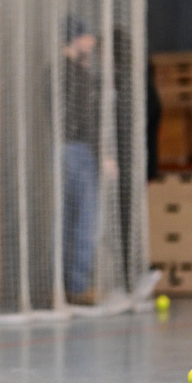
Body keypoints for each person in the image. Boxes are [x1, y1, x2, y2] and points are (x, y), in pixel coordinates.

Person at [61, 16, 114, 306]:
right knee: (84, 221)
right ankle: (78, 286)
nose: (92, 43)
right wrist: (102, 154)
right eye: (88, 37)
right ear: (76, 39)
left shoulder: (53, 72)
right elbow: (85, 119)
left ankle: (66, 285)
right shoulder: (78, 76)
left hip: (62, 152)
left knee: (67, 220)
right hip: (79, 151)